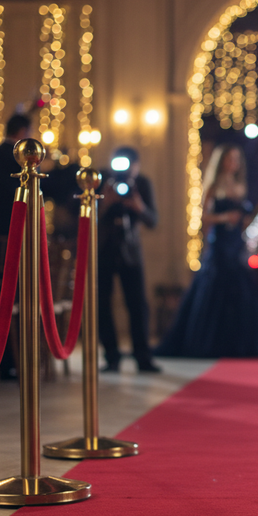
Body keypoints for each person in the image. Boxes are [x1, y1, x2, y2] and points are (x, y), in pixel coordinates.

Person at [155, 145, 258, 358]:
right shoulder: (213, 186)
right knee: (213, 287)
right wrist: (224, 218)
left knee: (243, 290)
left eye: (237, 159)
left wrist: (242, 221)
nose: (234, 163)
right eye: (231, 159)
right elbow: (202, 217)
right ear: (222, 161)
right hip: (220, 243)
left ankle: (242, 343)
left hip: (235, 242)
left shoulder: (240, 185)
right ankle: (207, 342)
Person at [97, 146, 161, 373]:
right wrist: (105, 201)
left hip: (131, 250)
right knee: (102, 304)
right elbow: (82, 214)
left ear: (137, 165)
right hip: (103, 249)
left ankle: (143, 356)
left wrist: (139, 207)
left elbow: (153, 220)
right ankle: (111, 356)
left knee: (137, 304)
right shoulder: (102, 179)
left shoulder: (142, 183)